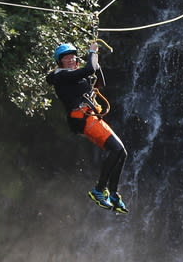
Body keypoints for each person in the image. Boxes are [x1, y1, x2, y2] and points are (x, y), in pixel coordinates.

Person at [47, 41, 129, 212]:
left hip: (91, 118)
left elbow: (99, 82)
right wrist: (92, 53)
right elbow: (89, 69)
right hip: (85, 119)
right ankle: (99, 190)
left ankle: (113, 193)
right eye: (66, 58)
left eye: (72, 57)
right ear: (60, 62)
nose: (70, 60)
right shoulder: (61, 76)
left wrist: (95, 61)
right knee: (116, 150)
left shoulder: (76, 76)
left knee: (121, 152)